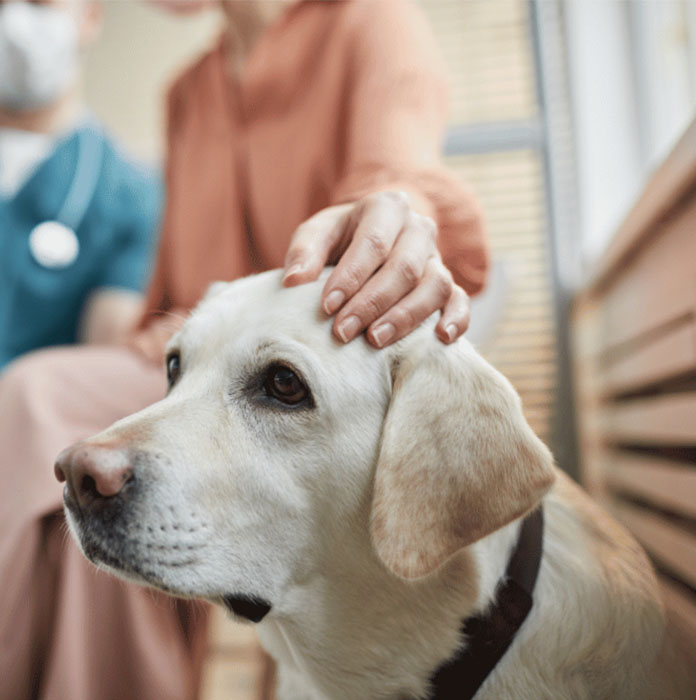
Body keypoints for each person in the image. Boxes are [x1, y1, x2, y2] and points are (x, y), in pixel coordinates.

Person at [0, 1, 488, 699]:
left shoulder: (368, 21)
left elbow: (399, 171)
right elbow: (170, 301)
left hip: (310, 378)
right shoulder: (187, 93)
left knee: (35, 396)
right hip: (185, 366)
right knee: (78, 457)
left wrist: (396, 211)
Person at [0, 0, 161, 370]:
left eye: (38, 3)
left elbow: (100, 365)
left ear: (90, 15)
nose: (14, 22)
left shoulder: (131, 195)